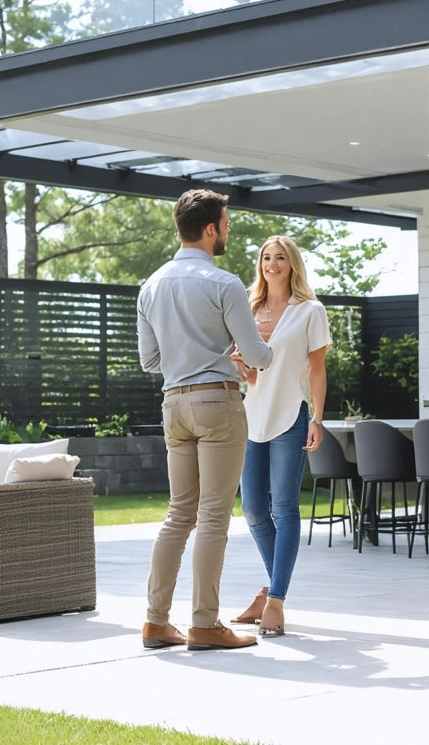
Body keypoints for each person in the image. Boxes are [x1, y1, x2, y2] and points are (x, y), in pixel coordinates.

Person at [136, 189, 273, 652]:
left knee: (179, 515)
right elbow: (256, 356)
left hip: (173, 404)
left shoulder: (151, 284)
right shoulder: (225, 283)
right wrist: (264, 344)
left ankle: (156, 622)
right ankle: (205, 624)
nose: (228, 231)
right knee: (214, 517)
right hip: (217, 404)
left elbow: (150, 361)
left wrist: (188, 353)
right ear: (211, 228)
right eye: (227, 223)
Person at [230, 235, 331, 637]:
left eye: (280, 258)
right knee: (253, 508)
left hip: (292, 416)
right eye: (266, 257)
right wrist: (243, 368)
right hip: (250, 418)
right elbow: (254, 376)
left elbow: (318, 370)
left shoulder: (310, 311)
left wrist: (318, 418)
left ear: (293, 265)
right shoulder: (248, 310)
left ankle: (275, 602)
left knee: (285, 509)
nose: (272, 264)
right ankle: (272, 588)